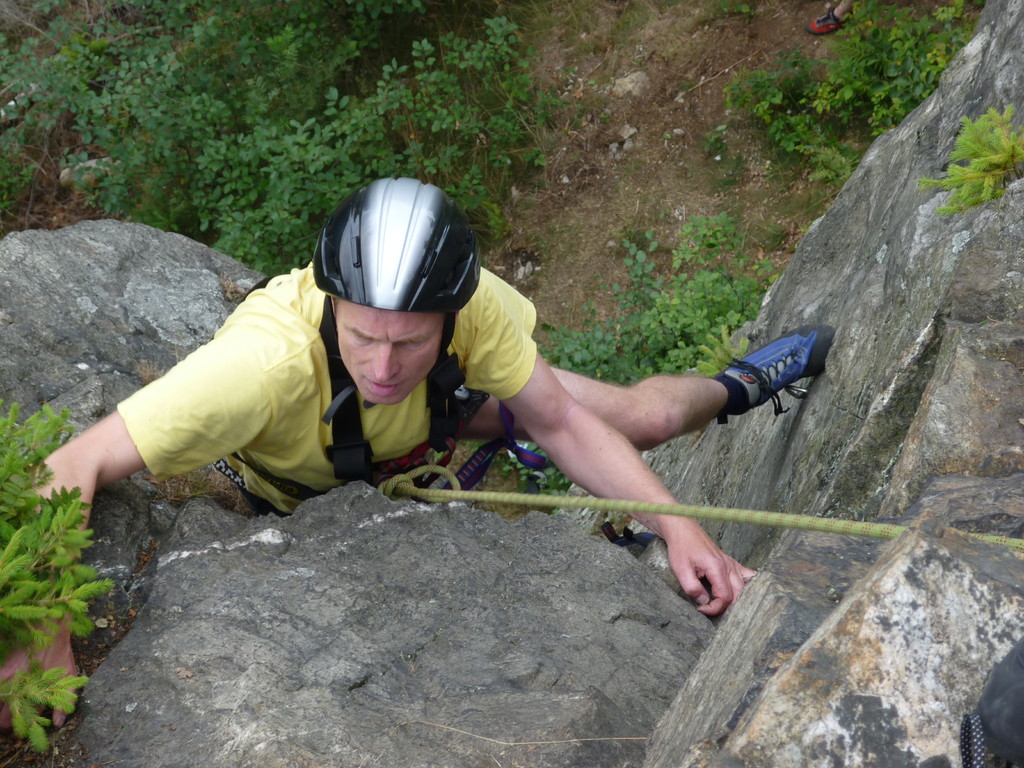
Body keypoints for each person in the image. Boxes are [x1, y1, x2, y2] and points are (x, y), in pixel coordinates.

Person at [0, 177, 834, 733]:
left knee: (641, 418)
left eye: (410, 339)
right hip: (291, 468)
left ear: (451, 315)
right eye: (365, 336)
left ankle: (739, 385)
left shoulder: (475, 318)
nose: (384, 365)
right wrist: (40, 639)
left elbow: (567, 425)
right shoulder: (257, 368)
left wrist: (681, 527)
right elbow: (65, 468)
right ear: (331, 302)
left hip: (442, 415)